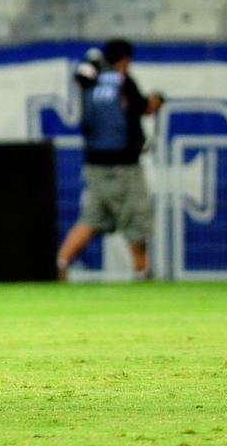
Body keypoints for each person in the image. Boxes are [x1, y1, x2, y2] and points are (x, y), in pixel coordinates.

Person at [56, 39, 163, 279]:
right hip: (124, 165)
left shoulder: (90, 79)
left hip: (95, 163)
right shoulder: (123, 81)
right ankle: (142, 271)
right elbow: (141, 108)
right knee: (136, 216)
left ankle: (60, 262)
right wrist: (155, 101)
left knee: (91, 218)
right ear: (125, 59)